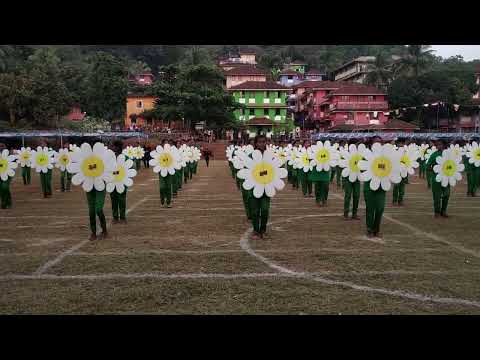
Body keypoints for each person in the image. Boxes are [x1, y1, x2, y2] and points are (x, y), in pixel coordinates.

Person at [363, 136, 386, 237]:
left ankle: (376, 229)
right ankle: (369, 229)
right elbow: (362, 168)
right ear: (371, 144)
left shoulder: (386, 156)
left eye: (380, 143)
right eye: (376, 142)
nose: (378, 144)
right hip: (369, 186)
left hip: (382, 187)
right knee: (370, 209)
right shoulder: (367, 155)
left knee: (380, 209)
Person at [249, 135, 271, 239]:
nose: (262, 144)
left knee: (265, 209)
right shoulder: (251, 156)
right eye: (259, 142)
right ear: (256, 143)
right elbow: (248, 170)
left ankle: (263, 230)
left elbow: (274, 169)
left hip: (266, 187)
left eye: (264, 142)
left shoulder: (269, 156)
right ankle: (255, 230)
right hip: (254, 187)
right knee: (255, 211)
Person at [426, 139, 450, 218]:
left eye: (440, 144)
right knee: (437, 196)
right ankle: (437, 212)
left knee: (446, 194)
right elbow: (428, 166)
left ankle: (444, 211)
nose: (439, 146)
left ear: (444, 145)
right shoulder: (434, 155)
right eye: (437, 145)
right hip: (436, 178)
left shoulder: (449, 154)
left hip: (447, 178)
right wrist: (435, 170)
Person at [110, 140, 128, 223]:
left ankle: (123, 217)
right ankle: (115, 217)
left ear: (117, 147)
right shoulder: (110, 157)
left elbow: (130, 168)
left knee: (121, 199)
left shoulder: (125, 157)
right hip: (112, 182)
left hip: (122, 182)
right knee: (113, 199)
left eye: (113, 146)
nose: (112, 148)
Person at [392, 138, 407, 206]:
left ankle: (400, 200)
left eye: (402, 143)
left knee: (402, 187)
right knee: (396, 186)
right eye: (399, 143)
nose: (401, 145)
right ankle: (394, 200)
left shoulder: (406, 152)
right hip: (396, 172)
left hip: (403, 172)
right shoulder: (394, 151)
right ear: (397, 144)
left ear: (404, 144)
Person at [0, 143, 13, 209]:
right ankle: (4, 202)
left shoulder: (8, 154)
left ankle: (6, 202)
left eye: (2, 146)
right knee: (1, 189)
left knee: (4, 187)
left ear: (5, 147)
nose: (1, 147)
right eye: (0, 146)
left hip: (7, 174)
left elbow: (13, 163)